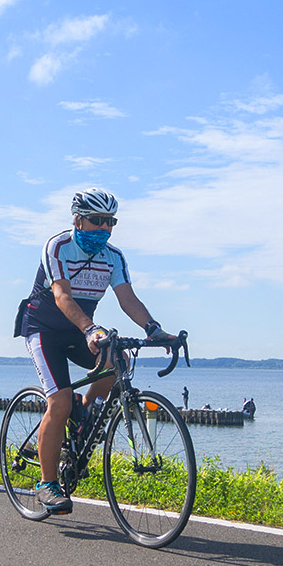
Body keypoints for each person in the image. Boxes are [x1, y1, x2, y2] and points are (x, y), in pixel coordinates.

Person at [19, 188, 177, 514]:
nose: (104, 229)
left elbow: (128, 299)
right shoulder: (58, 246)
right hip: (45, 329)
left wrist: (154, 329)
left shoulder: (113, 257)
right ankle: (47, 485)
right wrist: (91, 328)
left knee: (118, 360)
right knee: (59, 401)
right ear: (77, 219)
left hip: (80, 329)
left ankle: (85, 413)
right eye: (97, 221)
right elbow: (62, 296)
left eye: (110, 223)